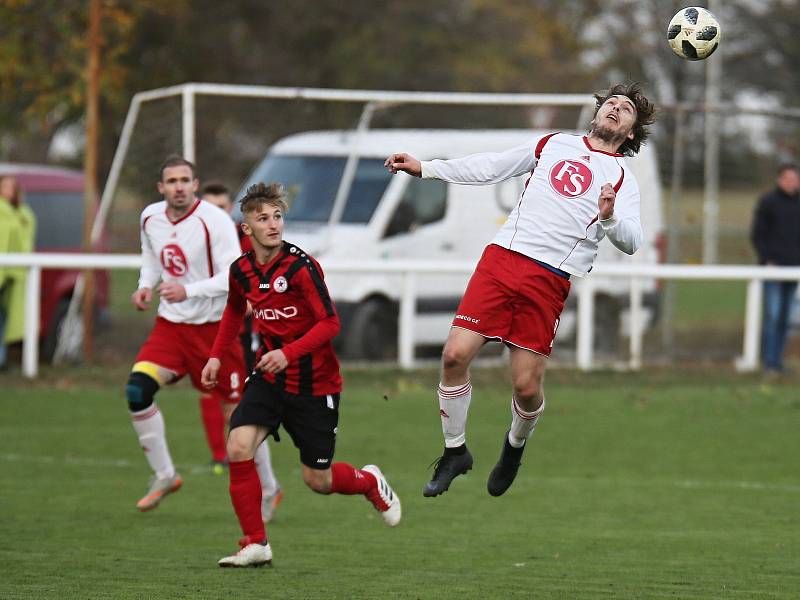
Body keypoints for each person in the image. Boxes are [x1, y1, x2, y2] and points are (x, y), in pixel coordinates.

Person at [384, 82, 656, 498]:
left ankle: (514, 446)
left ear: (632, 133)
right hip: (502, 260)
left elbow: (633, 241)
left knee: (527, 388)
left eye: (626, 111)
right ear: (597, 113)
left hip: (549, 279)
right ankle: (454, 451)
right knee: (454, 355)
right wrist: (428, 168)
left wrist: (609, 216)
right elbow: (492, 166)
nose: (615, 110)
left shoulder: (622, 179)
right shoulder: (553, 143)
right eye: (611, 104)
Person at [201, 182, 401, 568]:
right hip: (270, 380)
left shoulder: (301, 267)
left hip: (315, 385)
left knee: (318, 481)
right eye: (263, 218)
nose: (273, 224)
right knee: (238, 446)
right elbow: (232, 312)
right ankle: (255, 543)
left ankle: (370, 482)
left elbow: (330, 323)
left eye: (278, 217)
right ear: (247, 228)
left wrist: (287, 353)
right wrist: (215, 356)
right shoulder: (241, 270)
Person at [126, 155, 248, 512]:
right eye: (171, 181)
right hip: (171, 327)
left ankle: (268, 488)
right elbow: (151, 256)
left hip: (215, 330)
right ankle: (165, 474)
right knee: (137, 390)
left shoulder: (216, 221)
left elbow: (233, 275)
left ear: (195, 185)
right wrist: (145, 285)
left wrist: (188, 291)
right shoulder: (150, 217)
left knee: (237, 419)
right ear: (160, 187)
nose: (178, 187)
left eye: (184, 180)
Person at [201, 180, 283, 521]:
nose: (218, 214)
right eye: (212, 208)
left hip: (245, 339)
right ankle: (254, 480)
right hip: (205, 333)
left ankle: (267, 488)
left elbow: (251, 291)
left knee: (241, 413)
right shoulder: (196, 242)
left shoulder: (245, 245)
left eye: (223, 207)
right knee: (224, 407)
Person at [750, 163, 800, 375]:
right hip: (773, 269)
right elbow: (757, 234)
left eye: (794, 179)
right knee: (772, 316)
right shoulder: (768, 202)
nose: (792, 182)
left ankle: (778, 361)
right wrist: (767, 259)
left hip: (794, 270)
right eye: (788, 178)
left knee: (786, 319)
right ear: (780, 180)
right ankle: (769, 363)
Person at [0, 176, 36, 370]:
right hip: (3, 270)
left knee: (7, 317)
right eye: (4, 185)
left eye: (11, 187)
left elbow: (26, 236)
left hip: (14, 273)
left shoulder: (23, 213)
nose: (7, 190)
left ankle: (2, 359)